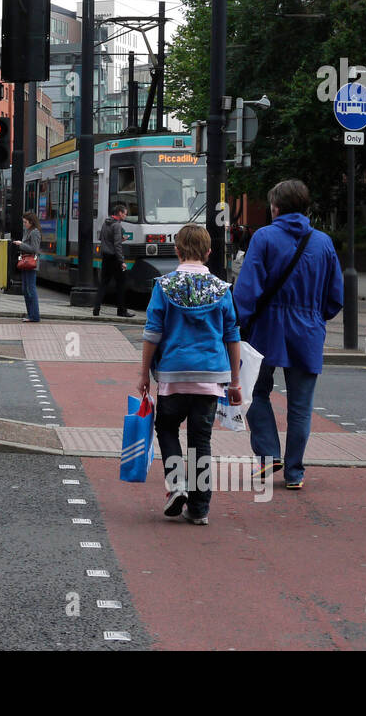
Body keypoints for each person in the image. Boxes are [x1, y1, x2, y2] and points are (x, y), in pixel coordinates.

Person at [233, 179, 344, 491]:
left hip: (266, 329)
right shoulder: (323, 243)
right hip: (308, 331)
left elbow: (247, 291)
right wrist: (313, 318)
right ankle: (294, 472)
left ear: (275, 207)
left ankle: (269, 455)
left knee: (254, 390)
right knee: (300, 406)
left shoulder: (264, 237)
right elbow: (335, 297)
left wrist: (237, 324)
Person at [137, 223, 241, 526]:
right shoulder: (221, 289)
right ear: (208, 253)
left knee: (166, 427)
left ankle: (177, 483)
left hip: (173, 373)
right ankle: (199, 509)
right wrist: (234, 381)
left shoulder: (164, 286)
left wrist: (144, 373)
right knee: (201, 440)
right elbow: (232, 335)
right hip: (211, 376)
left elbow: (152, 333)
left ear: (177, 250)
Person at [93, 203, 134, 318]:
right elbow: (117, 245)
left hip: (105, 257)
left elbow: (102, 238)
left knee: (103, 283)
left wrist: (120, 239)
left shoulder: (106, 223)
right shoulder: (117, 226)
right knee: (121, 284)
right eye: (125, 214)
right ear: (120, 213)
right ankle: (121, 310)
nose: (125, 216)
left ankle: (96, 309)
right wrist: (122, 261)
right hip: (114, 258)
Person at [13, 211, 41, 323]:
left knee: (30, 289)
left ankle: (34, 315)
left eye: (25, 222)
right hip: (25, 263)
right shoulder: (28, 230)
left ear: (31, 222)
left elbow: (35, 249)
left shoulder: (34, 232)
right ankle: (31, 314)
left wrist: (21, 244)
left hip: (30, 264)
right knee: (26, 289)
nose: (24, 224)